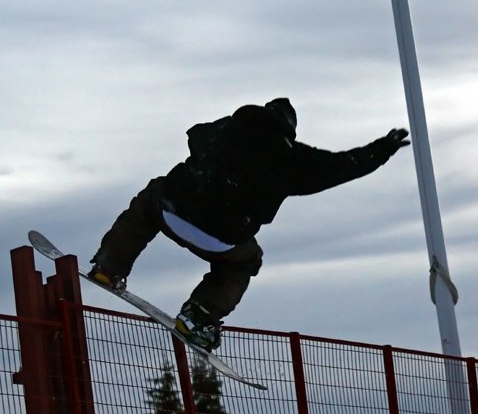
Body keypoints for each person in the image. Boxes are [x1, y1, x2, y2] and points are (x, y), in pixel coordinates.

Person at [89, 98, 410, 352]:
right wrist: (385, 147)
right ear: (290, 131)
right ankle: (199, 315)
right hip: (222, 238)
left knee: (147, 204)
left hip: (173, 208)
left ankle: (109, 265)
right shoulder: (295, 160)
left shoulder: (227, 127)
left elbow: (194, 134)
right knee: (245, 261)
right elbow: (345, 165)